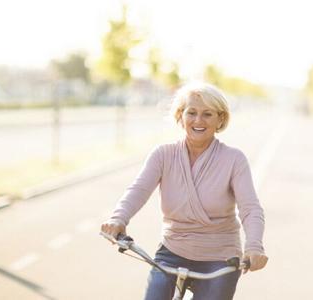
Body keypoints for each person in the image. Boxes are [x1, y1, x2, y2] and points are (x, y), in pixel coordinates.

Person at [101, 82, 268, 300]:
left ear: (220, 119)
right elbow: (138, 190)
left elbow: (250, 208)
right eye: (192, 113)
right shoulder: (163, 155)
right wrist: (118, 219)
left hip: (221, 257)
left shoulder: (234, 159)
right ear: (181, 115)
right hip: (172, 251)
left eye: (207, 114)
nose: (198, 120)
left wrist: (254, 246)